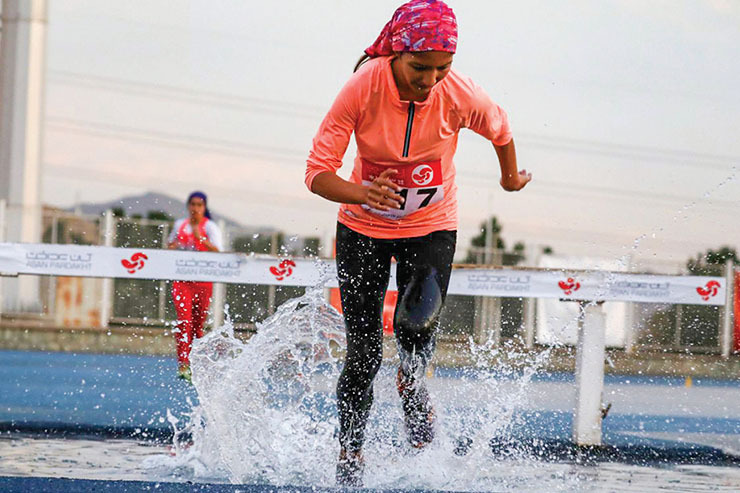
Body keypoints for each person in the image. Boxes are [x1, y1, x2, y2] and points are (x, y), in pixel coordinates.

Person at [304, 0, 532, 486]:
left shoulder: (459, 92)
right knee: (364, 353)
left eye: (442, 68)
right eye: (419, 67)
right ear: (396, 54)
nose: (430, 80)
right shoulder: (363, 87)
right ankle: (350, 454)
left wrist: (510, 179)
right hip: (363, 227)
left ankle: (413, 385)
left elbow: (501, 128)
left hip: (431, 226)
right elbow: (317, 175)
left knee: (414, 328)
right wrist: (363, 192)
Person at [167, 191, 223, 381]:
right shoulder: (179, 225)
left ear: (204, 207)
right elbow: (171, 246)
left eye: (199, 205)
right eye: (192, 204)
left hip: (203, 282)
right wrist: (173, 246)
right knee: (184, 321)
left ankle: (196, 362)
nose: (195, 208)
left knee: (198, 325)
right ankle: (183, 363)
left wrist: (201, 239)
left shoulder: (210, 227)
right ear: (188, 206)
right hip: (182, 280)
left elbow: (219, 251)